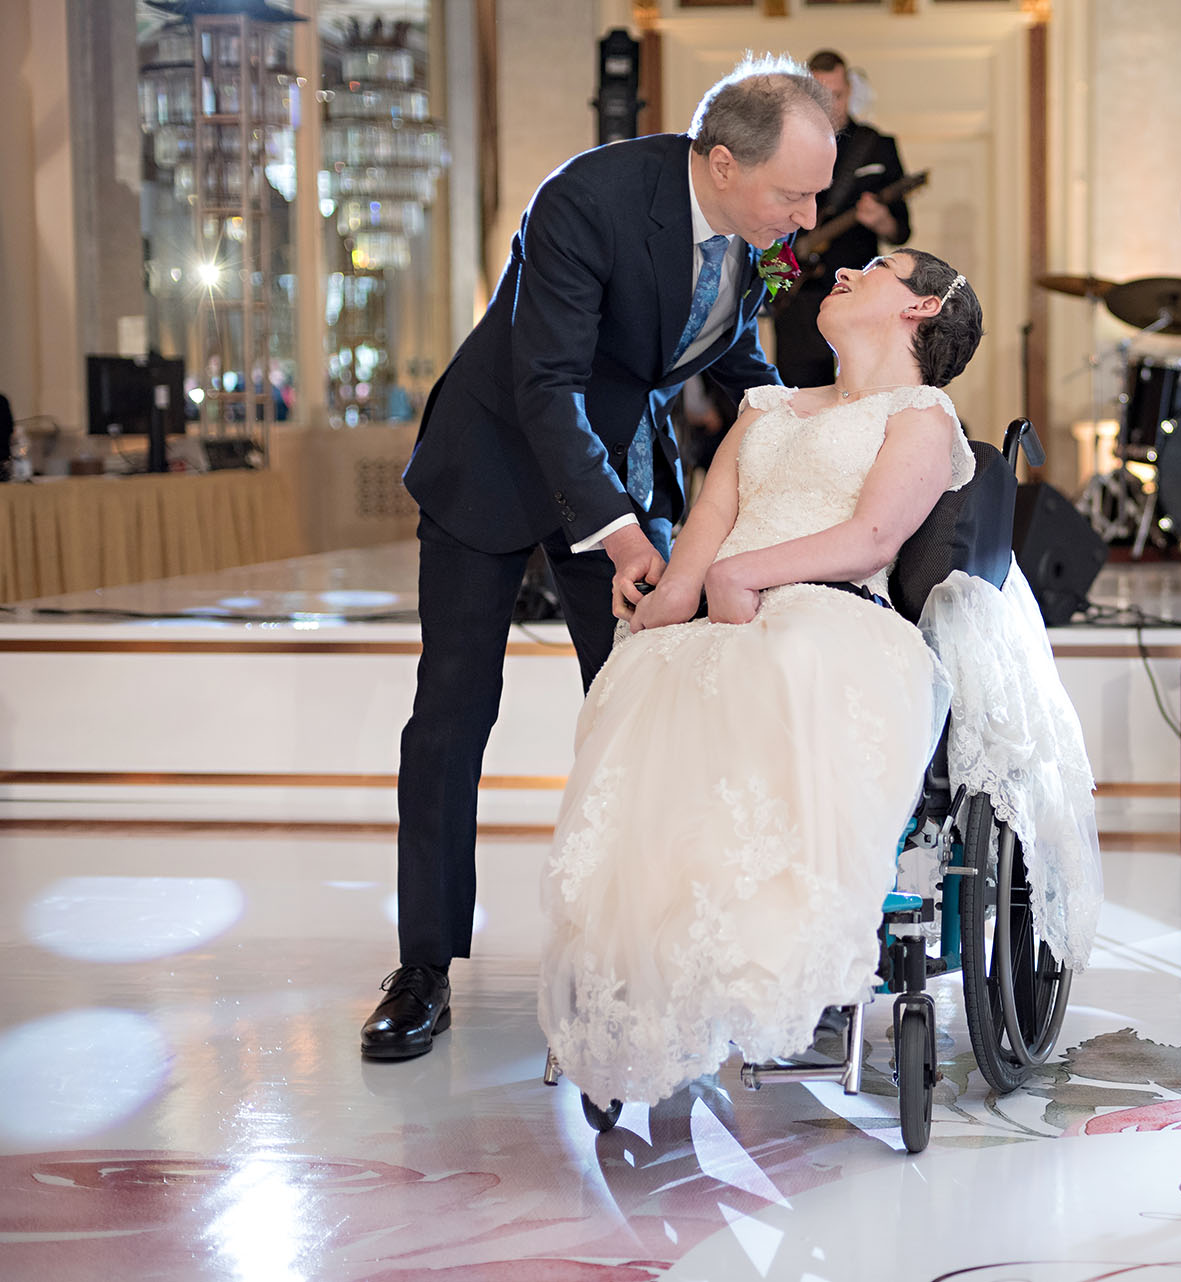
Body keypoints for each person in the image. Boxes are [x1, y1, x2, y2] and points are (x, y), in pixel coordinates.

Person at [360, 57, 837, 1061]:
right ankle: (424, 964)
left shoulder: (767, 233)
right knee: (452, 711)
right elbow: (545, 382)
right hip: (495, 455)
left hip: (619, 457)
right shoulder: (589, 200)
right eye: (791, 193)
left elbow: (740, 356)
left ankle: (640, 950)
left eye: (814, 193)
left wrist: (815, 437)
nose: (805, 216)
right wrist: (619, 531)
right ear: (719, 164)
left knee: (644, 705)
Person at [538, 250, 973, 1105]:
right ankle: (653, 964)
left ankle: (769, 956)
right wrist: (668, 602)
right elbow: (710, 523)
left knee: (786, 660)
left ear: (921, 309)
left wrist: (752, 576)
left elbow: (876, 536)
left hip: (831, 612)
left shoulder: (920, 414)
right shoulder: (766, 407)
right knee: (644, 670)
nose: (844, 271)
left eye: (874, 268)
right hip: (731, 612)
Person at [772, 50, 914, 388]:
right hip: (797, 298)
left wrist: (880, 219)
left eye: (836, 95)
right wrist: (771, 285)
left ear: (848, 91)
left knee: (860, 394)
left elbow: (901, 231)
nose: (829, 105)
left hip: (858, 293)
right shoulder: (781, 146)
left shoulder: (877, 146)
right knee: (799, 401)